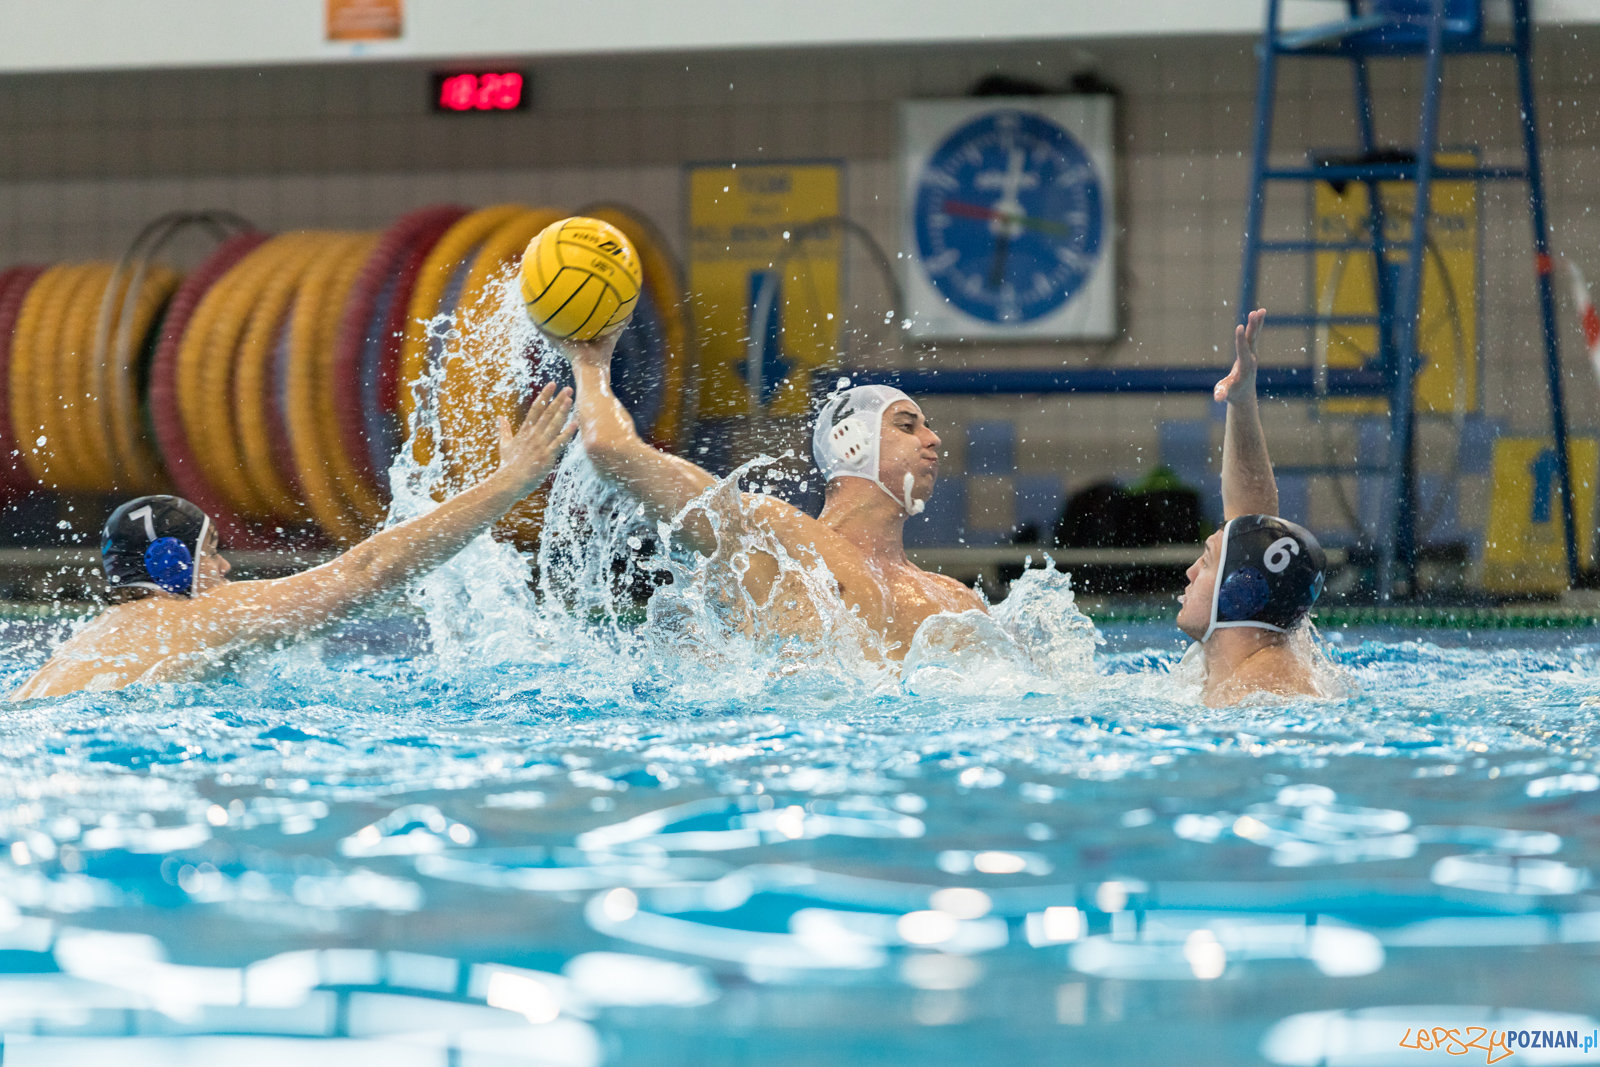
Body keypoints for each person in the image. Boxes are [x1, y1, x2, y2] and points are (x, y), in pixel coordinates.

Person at [9, 384, 576, 700]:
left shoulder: (78, 650)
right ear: (169, 563)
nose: (227, 568)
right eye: (210, 553)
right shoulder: (201, 616)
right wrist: (512, 482)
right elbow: (369, 570)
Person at [557, 331, 984, 658]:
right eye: (907, 426)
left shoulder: (954, 600)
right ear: (852, 442)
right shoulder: (774, 540)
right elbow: (610, 449)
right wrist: (589, 362)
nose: (934, 439)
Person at [1176, 308, 1328, 705]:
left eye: (1207, 562)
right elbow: (1251, 527)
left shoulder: (1259, 694)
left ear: (1238, 592)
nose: (1189, 571)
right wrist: (1241, 402)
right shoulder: (1261, 660)